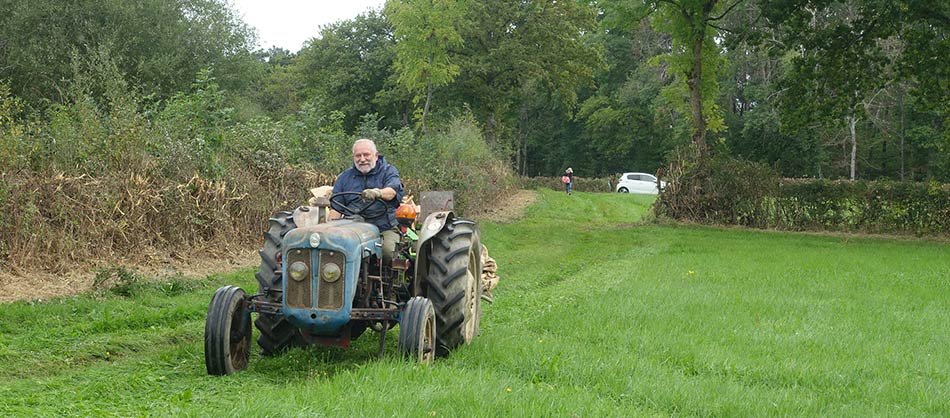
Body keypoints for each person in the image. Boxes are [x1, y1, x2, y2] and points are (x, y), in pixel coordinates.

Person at [330, 138, 404, 265]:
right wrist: (329, 230)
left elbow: (392, 191)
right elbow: (336, 208)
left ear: (375, 155)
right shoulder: (345, 178)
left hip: (383, 227)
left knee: (386, 253)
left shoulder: (388, 171)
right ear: (353, 157)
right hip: (351, 228)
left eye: (366, 154)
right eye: (358, 155)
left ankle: (389, 283)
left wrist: (377, 193)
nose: (362, 159)